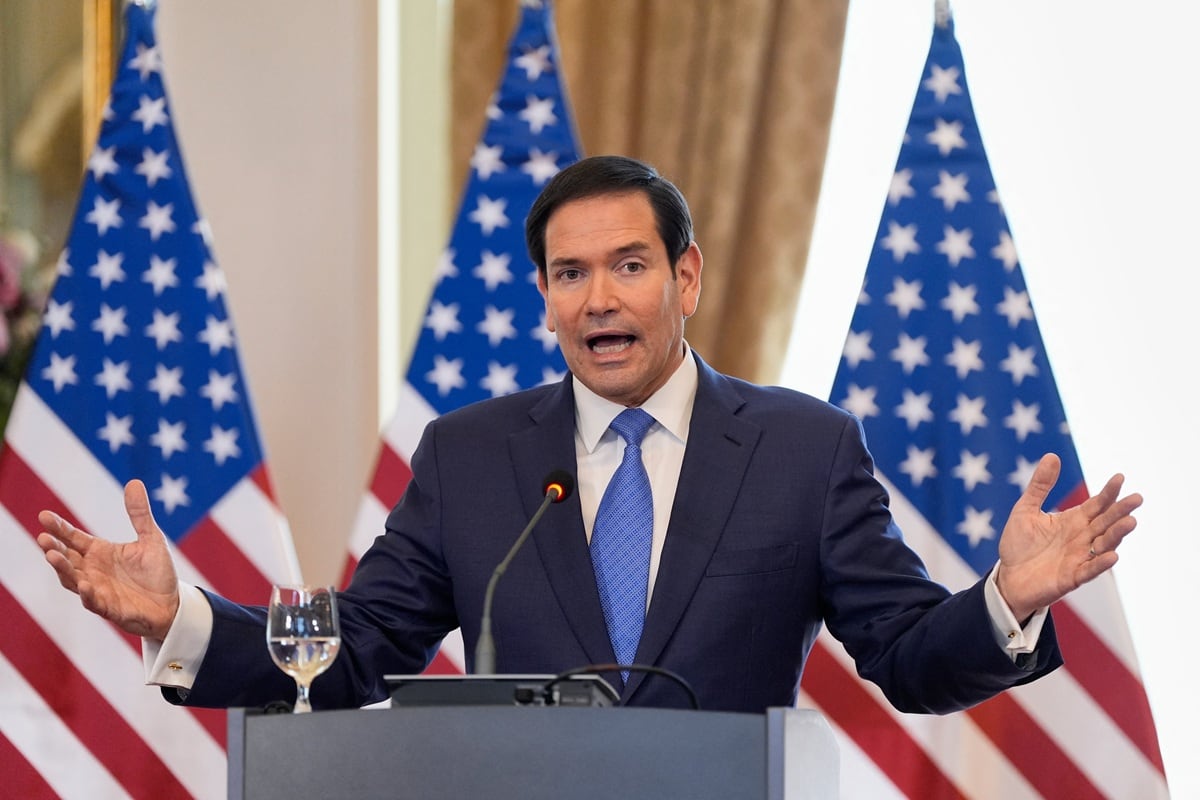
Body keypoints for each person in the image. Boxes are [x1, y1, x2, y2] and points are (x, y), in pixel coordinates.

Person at [37, 155, 1140, 714]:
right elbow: (359, 643)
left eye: (629, 266)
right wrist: (179, 618)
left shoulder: (805, 451)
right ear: (544, 298)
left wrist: (1007, 598)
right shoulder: (470, 456)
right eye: (570, 274)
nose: (599, 298)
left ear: (685, 278)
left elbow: (905, 656)